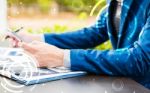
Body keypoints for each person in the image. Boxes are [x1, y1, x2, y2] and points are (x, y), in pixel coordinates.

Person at [7, 0, 150, 89]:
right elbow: (96, 33)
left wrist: (62, 57)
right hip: (124, 84)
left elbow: (140, 59)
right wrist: (34, 38)